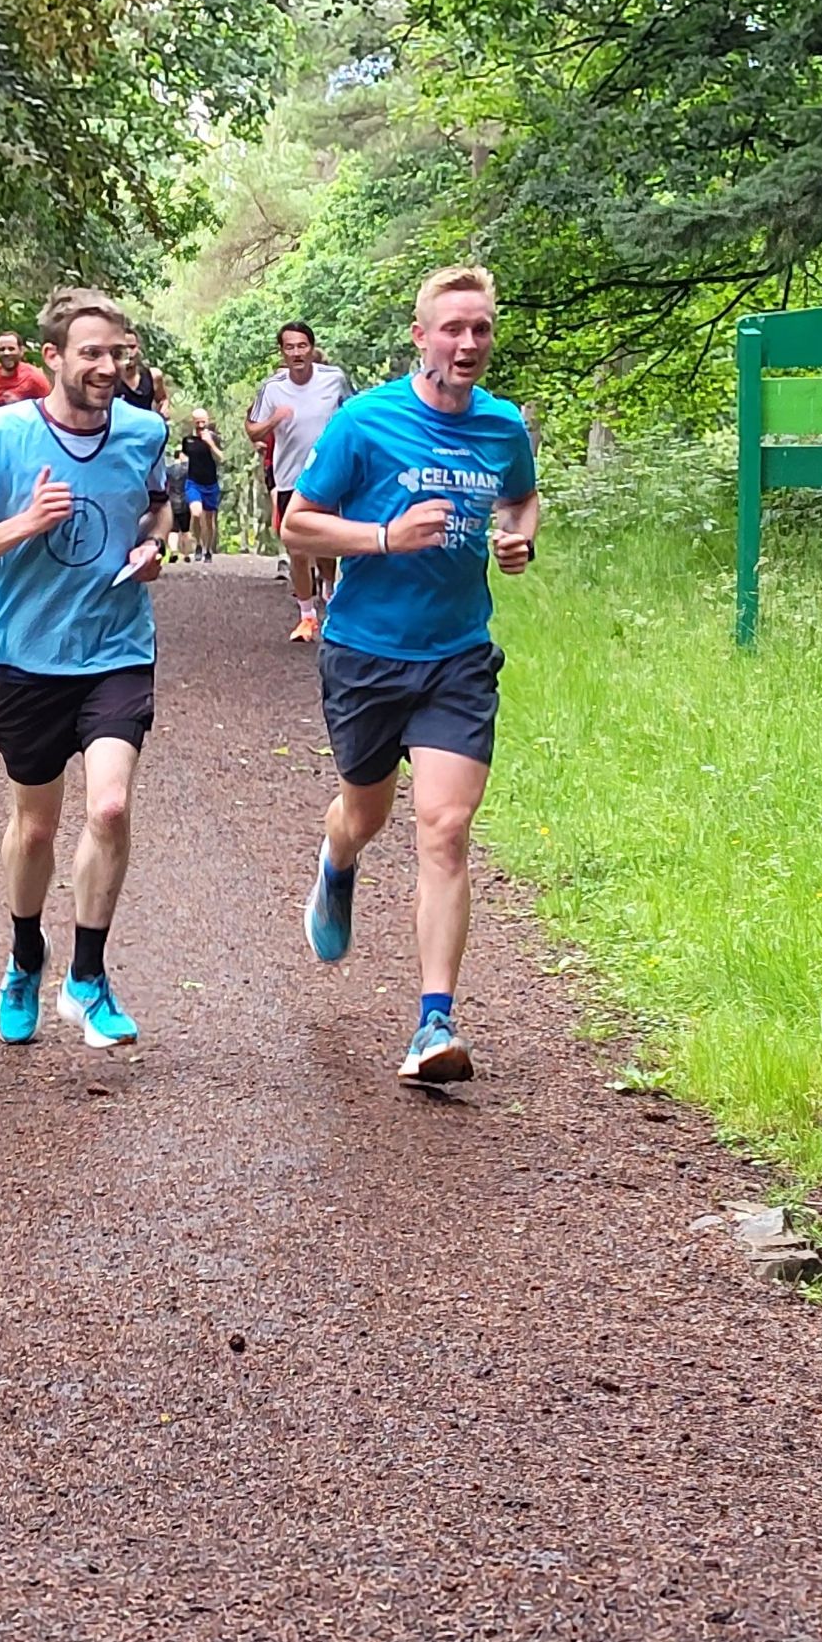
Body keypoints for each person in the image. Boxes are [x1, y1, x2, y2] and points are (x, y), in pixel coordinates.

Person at [281, 265, 539, 1084]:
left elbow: (521, 501)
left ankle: (434, 1024)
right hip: (365, 653)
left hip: (458, 654)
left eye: (482, 329)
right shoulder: (366, 421)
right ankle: (337, 857)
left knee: (446, 828)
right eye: (453, 329)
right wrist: (387, 538)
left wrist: (516, 539)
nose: (468, 344)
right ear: (420, 335)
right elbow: (299, 527)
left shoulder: (503, 429)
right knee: (367, 811)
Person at [0, 287, 172, 1050]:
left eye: (119, 353)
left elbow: (155, 507)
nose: (109, 367)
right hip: (28, 654)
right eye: (93, 354)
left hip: (115, 646)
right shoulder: (2, 435)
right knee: (35, 828)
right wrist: (26, 523)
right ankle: (23, 957)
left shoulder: (144, 431)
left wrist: (151, 547)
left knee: (108, 808)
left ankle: (89, 976)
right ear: (53, 358)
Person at [245, 322, 351, 642]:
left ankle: (329, 596)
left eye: (301, 346)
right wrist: (273, 421)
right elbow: (252, 430)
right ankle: (306, 617)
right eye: (289, 347)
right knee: (296, 548)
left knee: (325, 546)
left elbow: (354, 413)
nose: (296, 353)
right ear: (282, 352)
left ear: (311, 348)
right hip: (290, 476)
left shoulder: (334, 380)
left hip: (329, 475)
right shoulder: (273, 388)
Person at [177, 407, 223, 562]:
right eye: (197, 422)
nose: (200, 424)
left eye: (203, 421)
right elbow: (184, 455)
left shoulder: (214, 438)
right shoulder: (188, 440)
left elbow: (221, 457)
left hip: (210, 483)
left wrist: (210, 443)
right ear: (193, 422)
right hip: (193, 482)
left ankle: (208, 549)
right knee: (196, 513)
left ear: (207, 421)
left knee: (209, 519)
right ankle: (197, 544)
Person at [0, 330, 50, 408]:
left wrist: (20, 404)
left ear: (21, 351)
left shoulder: (34, 376)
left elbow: (49, 407)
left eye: (11, 349)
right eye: (2, 349)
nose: (6, 353)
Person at [117, 329, 171, 422]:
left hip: (144, 433)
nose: (128, 352)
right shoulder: (110, 379)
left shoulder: (153, 376)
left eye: (132, 347)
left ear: (139, 348)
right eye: (123, 348)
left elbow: (162, 399)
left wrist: (163, 410)